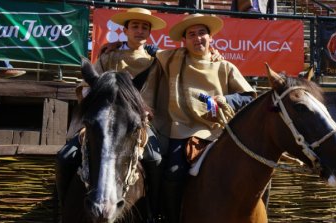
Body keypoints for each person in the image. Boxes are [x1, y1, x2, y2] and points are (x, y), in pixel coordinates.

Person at [141, 13, 257, 223]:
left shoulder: (225, 66)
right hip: (181, 130)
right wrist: (114, 46)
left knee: (251, 174)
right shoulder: (172, 58)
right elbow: (144, 48)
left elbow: (248, 96)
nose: (197, 38)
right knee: (173, 174)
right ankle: (171, 218)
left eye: (202, 33)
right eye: (191, 34)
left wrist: (225, 100)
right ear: (184, 40)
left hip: (219, 133)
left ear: (211, 37)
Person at [56, 7, 167, 222]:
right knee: (64, 157)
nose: (140, 31)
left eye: (145, 27)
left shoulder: (157, 62)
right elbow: (87, 86)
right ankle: (61, 208)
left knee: (155, 159)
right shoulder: (109, 55)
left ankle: (153, 212)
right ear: (125, 30)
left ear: (150, 32)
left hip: (139, 124)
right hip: (105, 121)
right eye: (135, 26)